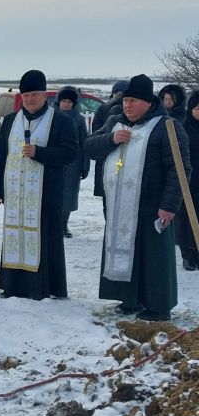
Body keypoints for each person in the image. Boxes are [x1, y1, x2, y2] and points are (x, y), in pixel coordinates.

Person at [85, 74, 191, 320]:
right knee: (126, 253)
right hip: (119, 203)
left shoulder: (166, 126)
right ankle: (129, 299)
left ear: (147, 102)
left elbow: (179, 169)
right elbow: (89, 146)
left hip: (153, 205)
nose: (127, 105)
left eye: (133, 101)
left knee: (154, 258)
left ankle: (158, 305)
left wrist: (169, 205)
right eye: (125, 101)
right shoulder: (115, 122)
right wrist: (110, 139)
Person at [0, 70, 77, 300]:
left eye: (35, 95)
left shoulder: (60, 120)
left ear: (44, 95)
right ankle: (12, 285)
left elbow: (70, 153)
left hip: (45, 195)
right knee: (14, 237)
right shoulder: (10, 120)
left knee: (44, 241)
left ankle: (42, 288)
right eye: (26, 95)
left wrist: (40, 153)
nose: (30, 99)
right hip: (15, 194)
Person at [56, 86, 90, 238]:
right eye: (63, 101)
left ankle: (63, 224)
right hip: (54, 161)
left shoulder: (79, 120)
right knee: (52, 194)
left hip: (73, 164)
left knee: (68, 197)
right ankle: (53, 224)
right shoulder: (51, 117)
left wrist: (85, 165)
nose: (66, 104)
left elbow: (85, 143)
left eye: (69, 102)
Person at [92, 80, 127, 204]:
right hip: (126, 158)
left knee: (108, 204)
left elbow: (95, 134)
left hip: (105, 159)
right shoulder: (130, 109)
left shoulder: (103, 108)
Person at [176, 89, 199, 270]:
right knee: (186, 219)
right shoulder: (183, 129)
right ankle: (188, 254)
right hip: (188, 181)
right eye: (197, 108)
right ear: (191, 109)